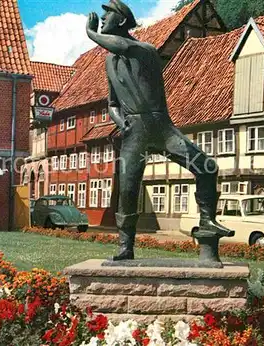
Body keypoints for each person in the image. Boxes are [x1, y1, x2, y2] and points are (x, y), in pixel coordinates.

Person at [86, 0, 235, 262]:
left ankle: (207, 221)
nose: (102, 18)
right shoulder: (110, 62)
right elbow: (112, 104)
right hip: (134, 129)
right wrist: (121, 123)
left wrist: (91, 34)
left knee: (207, 167)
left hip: (159, 125)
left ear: (120, 21)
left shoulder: (145, 50)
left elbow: (123, 45)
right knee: (128, 189)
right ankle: (125, 246)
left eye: (106, 14)